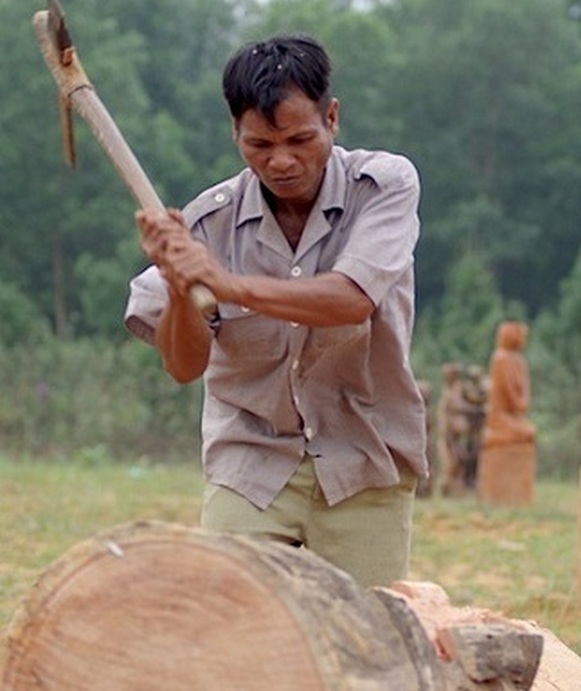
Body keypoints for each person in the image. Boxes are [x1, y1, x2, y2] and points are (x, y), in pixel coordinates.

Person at [124, 33, 428, 587]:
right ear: (235, 133)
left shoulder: (384, 187)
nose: (282, 161)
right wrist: (176, 282)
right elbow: (183, 366)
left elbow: (350, 299)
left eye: (299, 138)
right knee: (234, 627)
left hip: (364, 458)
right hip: (251, 463)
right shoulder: (207, 223)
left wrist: (227, 284)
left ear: (331, 118)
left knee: (367, 645)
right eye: (260, 145)